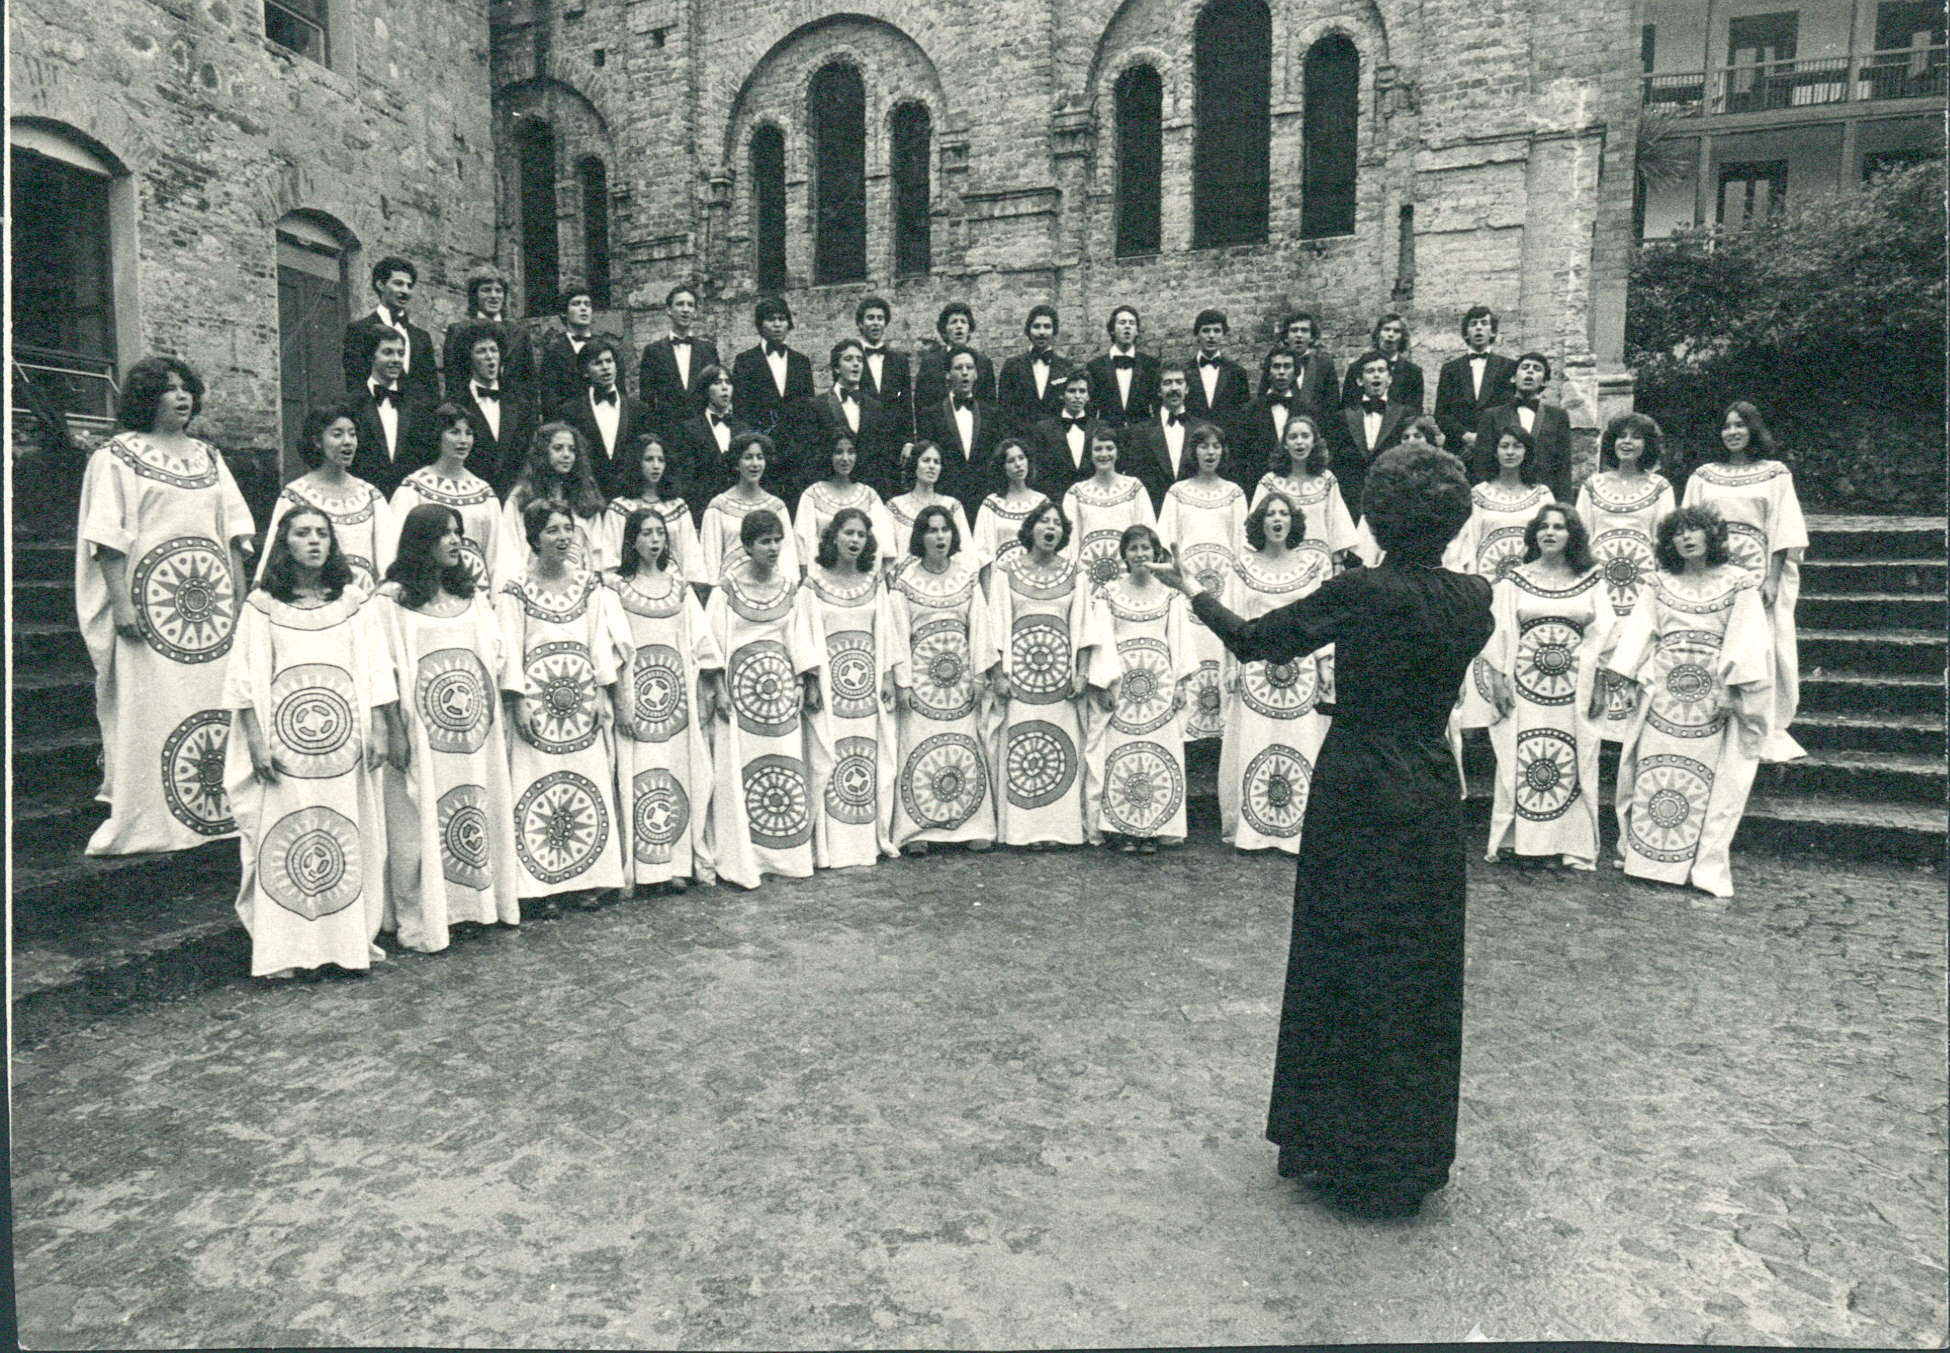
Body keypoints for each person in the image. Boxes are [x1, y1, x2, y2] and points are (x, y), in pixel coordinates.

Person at [1147, 443, 1491, 1219]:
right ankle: (1408, 1150)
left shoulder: (1361, 591)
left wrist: (1194, 591)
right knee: (1418, 960)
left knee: (1343, 949)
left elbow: (1258, 640)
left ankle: (1333, 1142)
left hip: (1360, 780)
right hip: (1431, 782)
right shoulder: (1476, 597)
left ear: (1376, 513)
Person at [77, 356, 257, 855]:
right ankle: (151, 814)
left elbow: (235, 532)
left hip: (210, 615)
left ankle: (217, 808)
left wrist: (240, 596)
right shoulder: (116, 456)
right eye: (169, 389)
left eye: (186, 389)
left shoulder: (208, 456)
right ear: (146, 397)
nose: (182, 397)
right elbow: (107, 540)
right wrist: (121, 605)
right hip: (150, 613)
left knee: (213, 702)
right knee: (152, 706)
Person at [223, 507, 393, 977]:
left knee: (347, 835)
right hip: (286, 752)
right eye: (303, 533)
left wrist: (378, 727)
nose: (314, 541)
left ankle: (345, 947)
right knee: (287, 840)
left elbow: (377, 666)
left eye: (322, 533)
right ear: (285, 543)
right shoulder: (262, 605)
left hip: (345, 749)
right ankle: (290, 952)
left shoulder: (353, 601)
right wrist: (256, 741)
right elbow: (241, 678)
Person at [372, 503, 522, 950]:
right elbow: (381, 668)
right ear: (422, 541)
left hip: (473, 737)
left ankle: (476, 906)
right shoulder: (391, 600)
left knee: (476, 808)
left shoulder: (471, 597)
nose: (455, 540)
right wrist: (394, 729)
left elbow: (498, 654)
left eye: (458, 532)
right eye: (444, 534)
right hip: (420, 734)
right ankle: (423, 917)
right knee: (416, 823)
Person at [1605, 506, 1773, 898]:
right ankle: (1646, 861)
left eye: (1695, 530)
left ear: (1712, 536)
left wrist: (1731, 688)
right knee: (1653, 769)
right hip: (1663, 691)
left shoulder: (1738, 583)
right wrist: (1627, 675)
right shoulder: (1659, 583)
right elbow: (1640, 631)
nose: (1687, 538)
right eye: (1678, 532)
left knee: (1705, 778)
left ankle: (1695, 865)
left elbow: (1747, 636)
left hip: (1711, 694)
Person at [496, 499, 632, 909]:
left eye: (567, 529)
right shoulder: (514, 588)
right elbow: (511, 648)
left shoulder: (590, 585)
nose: (562, 538)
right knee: (537, 787)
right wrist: (517, 701)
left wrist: (606, 693)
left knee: (585, 784)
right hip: (536, 706)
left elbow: (598, 643)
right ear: (534, 537)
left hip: (581, 702)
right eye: (552, 530)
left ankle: (588, 880)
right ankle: (540, 889)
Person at [1482, 504, 1613, 871]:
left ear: (1573, 535)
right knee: (1521, 755)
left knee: (1572, 757)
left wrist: (1601, 680)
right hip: (1526, 688)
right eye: (1543, 527)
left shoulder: (1591, 579)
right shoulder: (1514, 581)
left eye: (1559, 527)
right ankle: (1518, 842)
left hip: (1575, 687)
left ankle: (1567, 844)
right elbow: (1498, 633)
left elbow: (1606, 634)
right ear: (1534, 534)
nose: (1550, 533)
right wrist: (1497, 679)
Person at [703, 508, 825, 889]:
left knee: (784, 767)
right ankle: (746, 859)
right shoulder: (726, 591)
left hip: (781, 697)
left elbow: (798, 640)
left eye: (777, 540)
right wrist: (720, 689)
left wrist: (808, 681)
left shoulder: (790, 588)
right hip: (740, 698)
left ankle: (787, 857)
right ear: (746, 546)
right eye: (764, 541)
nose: (773, 548)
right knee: (743, 771)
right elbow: (712, 645)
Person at [605, 506, 724, 895]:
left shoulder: (679, 588)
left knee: (678, 774)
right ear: (632, 540)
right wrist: (621, 699)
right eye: (646, 533)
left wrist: (712, 686)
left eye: (659, 533)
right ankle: (638, 870)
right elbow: (614, 648)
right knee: (636, 775)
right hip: (637, 696)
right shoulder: (615, 588)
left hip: (676, 702)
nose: (654, 540)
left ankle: (674, 865)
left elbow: (702, 644)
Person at [1680, 401, 1808, 763]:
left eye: (1740, 425)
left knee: (1762, 647)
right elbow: (1687, 525)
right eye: (1726, 426)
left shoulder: (1775, 474)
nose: (1732, 432)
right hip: (1713, 575)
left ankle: (1759, 725)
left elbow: (1784, 528)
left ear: (1753, 430)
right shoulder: (1704, 476)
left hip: (1759, 575)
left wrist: (1771, 578)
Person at [1218, 491, 1337, 855]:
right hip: (1255, 670)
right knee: (1255, 742)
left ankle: (1294, 833)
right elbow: (1230, 619)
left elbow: (1321, 619)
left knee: (1300, 742)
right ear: (1260, 523)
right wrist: (1232, 666)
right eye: (1270, 514)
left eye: (1284, 514)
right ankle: (1253, 832)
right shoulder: (1241, 566)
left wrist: (1325, 663)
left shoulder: (1311, 566)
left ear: (1293, 522)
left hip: (1299, 672)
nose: (1277, 520)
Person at [986, 500, 1107, 849]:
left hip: (1061, 682)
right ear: (1031, 529)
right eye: (1043, 522)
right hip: (1020, 681)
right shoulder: (1005, 570)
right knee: (1022, 747)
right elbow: (996, 624)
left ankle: (1059, 830)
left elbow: (1083, 625)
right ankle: (1022, 833)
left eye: (1056, 523)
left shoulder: (1076, 573)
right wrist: (999, 674)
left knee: (1062, 748)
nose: (1050, 528)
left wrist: (1082, 673)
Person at [887, 504, 999, 855]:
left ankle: (971, 826)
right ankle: (917, 831)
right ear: (920, 537)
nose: (939, 536)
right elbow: (897, 634)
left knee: (963, 747)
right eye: (931, 530)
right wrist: (902, 682)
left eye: (944, 530)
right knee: (916, 748)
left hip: (959, 683)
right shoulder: (905, 581)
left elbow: (980, 628)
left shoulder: (966, 578)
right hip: (921, 684)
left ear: (953, 536)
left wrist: (980, 676)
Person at [1084, 523, 1194, 853]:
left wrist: (1179, 685)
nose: (1140, 554)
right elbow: (1102, 640)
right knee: (1122, 754)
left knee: (1157, 751)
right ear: (1125, 555)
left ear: (1156, 552)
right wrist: (1103, 684)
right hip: (1123, 689)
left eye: (1145, 547)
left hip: (1159, 689)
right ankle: (1124, 830)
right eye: (1133, 548)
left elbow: (1179, 641)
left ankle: (1154, 829)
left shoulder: (1170, 594)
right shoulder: (1108, 593)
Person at [804, 508, 900, 870]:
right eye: (848, 533)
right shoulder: (814, 584)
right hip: (831, 691)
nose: (855, 540)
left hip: (867, 691)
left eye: (861, 534)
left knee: (868, 757)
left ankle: (867, 843)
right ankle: (830, 848)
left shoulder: (874, 582)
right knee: (830, 755)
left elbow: (886, 631)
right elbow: (807, 636)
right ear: (833, 537)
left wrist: (888, 675)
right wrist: (812, 679)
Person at [1578, 413, 1676, 739]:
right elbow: (1581, 534)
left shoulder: (1660, 487)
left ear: (1647, 445)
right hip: (1601, 579)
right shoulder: (1593, 486)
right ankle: (1597, 725)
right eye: (1621, 435)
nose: (1627, 442)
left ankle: (1628, 729)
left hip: (1642, 580)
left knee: (1635, 643)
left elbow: (1665, 537)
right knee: (1602, 640)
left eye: (1636, 437)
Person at [1455, 425, 1555, 730]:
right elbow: (1468, 541)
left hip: (1530, 583)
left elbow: (1551, 536)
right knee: (1486, 637)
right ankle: (1478, 721)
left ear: (1527, 452)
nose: (1510, 452)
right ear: (1494, 451)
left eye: (1517, 446)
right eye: (1504, 446)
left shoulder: (1541, 494)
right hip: (1488, 583)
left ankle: (1521, 716)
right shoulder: (1479, 494)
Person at [1157, 422, 1248, 743]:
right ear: (1193, 451)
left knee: (1223, 644)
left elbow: (1243, 546)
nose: (1210, 452)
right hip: (1187, 591)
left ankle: (1223, 736)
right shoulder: (1178, 493)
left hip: (1225, 591)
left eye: (1216, 446)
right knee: (1190, 648)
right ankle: (1187, 738)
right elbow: (1167, 544)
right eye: (1204, 446)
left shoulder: (1234, 493)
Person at [262, 402, 395, 592]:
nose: (348, 441)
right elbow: (275, 559)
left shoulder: (371, 496)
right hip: (314, 604)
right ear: (317, 442)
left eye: (352, 433)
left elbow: (389, 558)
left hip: (366, 605)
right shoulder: (294, 496)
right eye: (337, 434)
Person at [389, 403, 504, 590]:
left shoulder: (484, 492)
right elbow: (396, 545)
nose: (463, 440)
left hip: (476, 592)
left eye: (468, 433)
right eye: (454, 432)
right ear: (438, 435)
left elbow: (498, 554)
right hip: (426, 590)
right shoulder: (414, 487)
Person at [497, 422, 606, 586]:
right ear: (542, 452)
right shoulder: (521, 498)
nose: (567, 455)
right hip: (534, 584)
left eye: (572, 449)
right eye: (558, 448)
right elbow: (509, 550)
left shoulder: (585, 497)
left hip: (580, 584)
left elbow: (597, 551)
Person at [1249, 413, 1360, 567]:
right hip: (1282, 565)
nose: (1299, 442)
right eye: (1293, 437)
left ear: (1314, 442)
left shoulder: (1327, 480)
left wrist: (1338, 563)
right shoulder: (1269, 483)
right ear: (1285, 444)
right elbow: (1254, 526)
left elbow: (1337, 524)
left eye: (1305, 436)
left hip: (1321, 565)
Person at [1062, 424, 1158, 590]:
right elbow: (1068, 543)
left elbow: (1148, 534)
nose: (1104, 454)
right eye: (1098, 449)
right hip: (1088, 578)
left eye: (1109, 448)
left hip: (1130, 576)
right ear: (1090, 454)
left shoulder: (1134, 488)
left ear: (1117, 452)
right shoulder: (1075, 493)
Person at [914, 344, 1004, 520]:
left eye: (969, 368)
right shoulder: (931, 414)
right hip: (945, 502)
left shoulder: (992, 415)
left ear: (976, 374)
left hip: (983, 502)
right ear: (947, 374)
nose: (964, 372)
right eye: (958, 367)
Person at [699, 431, 800, 585]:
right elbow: (710, 562)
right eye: (748, 457)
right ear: (736, 463)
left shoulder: (777, 507)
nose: (755, 464)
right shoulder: (718, 507)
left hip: (770, 589)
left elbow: (788, 560)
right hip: (731, 591)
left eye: (760, 457)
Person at [555, 336, 651, 496]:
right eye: (598, 363)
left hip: (629, 496)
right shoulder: (570, 412)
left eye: (609, 361)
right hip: (587, 496)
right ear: (585, 372)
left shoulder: (638, 410)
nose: (606, 367)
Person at [1471, 351, 1573, 502]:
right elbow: (1482, 464)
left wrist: (1564, 507)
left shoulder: (1558, 416)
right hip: (1503, 497)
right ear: (1513, 378)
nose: (1530, 371)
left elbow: (1564, 467)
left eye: (1537, 369)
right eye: (1525, 367)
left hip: (1544, 497)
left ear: (1544, 382)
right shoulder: (1492, 415)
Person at [598, 434, 701, 579]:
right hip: (631, 588)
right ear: (636, 462)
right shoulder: (618, 508)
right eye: (649, 459)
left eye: (661, 460)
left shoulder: (678, 506)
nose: (656, 466)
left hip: (673, 587)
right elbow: (609, 559)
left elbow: (692, 558)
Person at [347, 328, 435, 497]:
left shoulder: (420, 408)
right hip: (362, 500)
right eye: (388, 352)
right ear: (371, 356)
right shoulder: (349, 405)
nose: (396, 359)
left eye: (400, 353)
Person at [803, 339, 896, 496]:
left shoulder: (875, 407)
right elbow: (811, 457)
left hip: (867, 491)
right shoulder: (817, 406)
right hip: (830, 489)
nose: (856, 364)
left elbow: (882, 458)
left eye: (859, 360)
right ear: (836, 368)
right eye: (848, 359)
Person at [343, 255, 439, 406]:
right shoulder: (359, 330)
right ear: (380, 284)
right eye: (398, 284)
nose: (405, 291)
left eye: (409, 286)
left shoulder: (421, 337)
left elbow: (432, 390)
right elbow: (355, 383)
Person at [451, 323, 536, 493]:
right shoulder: (455, 404)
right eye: (481, 351)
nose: (490, 357)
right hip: (469, 494)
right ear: (469, 359)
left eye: (494, 350)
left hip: (512, 497)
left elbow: (527, 455)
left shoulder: (520, 405)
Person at [795, 432, 896, 572]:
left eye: (851, 452)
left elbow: (884, 547)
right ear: (828, 455)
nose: (845, 458)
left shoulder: (870, 496)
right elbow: (802, 544)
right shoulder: (812, 495)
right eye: (838, 452)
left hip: (862, 577)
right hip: (822, 575)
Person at [442, 267, 535, 405]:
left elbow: (529, 385)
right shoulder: (458, 331)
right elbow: (454, 382)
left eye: (499, 291)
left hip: (514, 414)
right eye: (486, 290)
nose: (494, 296)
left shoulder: (520, 334)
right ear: (475, 295)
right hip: (473, 411)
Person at [1335, 350, 1412, 517]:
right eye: (1370, 371)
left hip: (1392, 498)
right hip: (1352, 500)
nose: (1376, 375)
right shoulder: (1343, 417)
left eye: (1381, 370)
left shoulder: (1404, 414)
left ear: (1389, 379)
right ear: (1360, 380)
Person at [636, 282, 720, 435]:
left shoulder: (708, 350)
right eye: (680, 304)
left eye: (690, 305)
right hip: (668, 434)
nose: (685, 310)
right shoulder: (653, 351)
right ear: (669, 310)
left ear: (695, 312)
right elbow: (646, 399)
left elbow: (715, 393)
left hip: (703, 433)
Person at [730, 295, 814, 446]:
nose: (777, 324)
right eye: (771, 319)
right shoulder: (745, 361)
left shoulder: (801, 362)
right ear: (760, 325)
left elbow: (808, 407)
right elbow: (741, 408)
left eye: (782, 319)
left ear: (789, 324)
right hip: (760, 445)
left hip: (795, 446)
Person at [1433, 304, 1516, 456]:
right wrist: (1465, 436)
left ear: (1493, 332)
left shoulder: (1508, 367)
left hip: (1495, 449)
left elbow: (1510, 410)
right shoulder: (1450, 369)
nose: (1479, 328)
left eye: (1484, 323)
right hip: (1458, 449)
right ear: (1466, 334)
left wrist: (1485, 438)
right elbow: (1441, 413)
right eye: (1473, 324)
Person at [886, 441, 975, 572]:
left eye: (936, 462)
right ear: (914, 464)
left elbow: (966, 554)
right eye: (926, 460)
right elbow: (888, 557)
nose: (932, 466)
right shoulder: (895, 507)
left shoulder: (952, 506)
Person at [970, 437, 1051, 577]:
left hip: (1036, 583)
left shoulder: (1042, 502)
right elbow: (981, 555)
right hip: (1001, 582)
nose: (1018, 464)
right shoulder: (991, 505)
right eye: (1011, 461)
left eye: (1021, 458)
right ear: (1002, 466)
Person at [1122, 359, 1196, 510]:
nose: (1174, 387)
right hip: (1154, 512)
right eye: (1167, 383)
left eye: (1179, 382)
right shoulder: (1139, 432)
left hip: (1193, 511)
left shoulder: (1202, 429)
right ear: (1158, 390)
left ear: (1187, 388)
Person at [673, 363, 749, 507]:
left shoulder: (743, 429)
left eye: (728, 382)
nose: (725, 387)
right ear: (706, 389)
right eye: (717, 383)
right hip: (703, 507)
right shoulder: (689, 430)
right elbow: (686, 478)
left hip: (740, 506)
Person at [997, 303, 1074, 435]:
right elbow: (1004, 410)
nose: (1042, 332)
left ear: (1054, 331)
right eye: (1036, 326)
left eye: (1047, 327)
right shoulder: (1012, 366)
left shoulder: (1066, 367)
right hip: (1022, 441)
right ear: (1028, 330)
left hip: (1055, 441)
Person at [1238, 348, 1308, 491]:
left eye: (1287, 366)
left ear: (1295, 373)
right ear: (1268, 372)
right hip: (1259, 486)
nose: (1281, 372)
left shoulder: (1309, 411)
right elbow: (1241, 457)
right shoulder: (1248, 411)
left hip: (1299, 486)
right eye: (1276, 366)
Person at [913, 301, 998, 413]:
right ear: (944, 330)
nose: (959, 326)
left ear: (969, 329)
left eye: (963, 322)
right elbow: (922, 405)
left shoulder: (983, 363)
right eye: (953, 322)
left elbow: (990, 405)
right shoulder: (930, 363)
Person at [1085, 304, 1161, 428]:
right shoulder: (1095, 367)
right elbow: (1090, 408)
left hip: (1142, 437)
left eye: (1132, 323)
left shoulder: (1151, 365)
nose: (1127, 326)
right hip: (1108, 437)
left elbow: (1157, 405)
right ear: (1112, 330)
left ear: (1137, 331)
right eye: (1122, 322)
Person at [1340, 312, 1424, 413]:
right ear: (1378, 334)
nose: (1390, 334)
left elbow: (1415, 412)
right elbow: (1347, 408)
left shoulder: (1412, 372)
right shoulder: (1357, 367)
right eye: (1386, 329)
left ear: (1402, 338)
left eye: (1396, 331)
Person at [1184, 307, 1253, 429]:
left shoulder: (1237, 372)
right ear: (1197, 334)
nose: (1211, 336)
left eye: (1216, 331)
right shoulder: (1184, 371)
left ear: (1223, 334)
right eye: (1206, 331)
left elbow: (1243, 415)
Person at [535, 281, 599, 413]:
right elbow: (549, 401)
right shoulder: (553, 352)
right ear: (564, 313)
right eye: (576, 304)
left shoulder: (605, 348)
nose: (583, 308)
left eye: (587, 304)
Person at [1030, 370, 1098, 493]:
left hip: (1092, 497)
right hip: (1058, 498)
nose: (1077, 396)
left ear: (1088, 396)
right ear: (1062, 395)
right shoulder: (1044, 429)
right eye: (1072, 391)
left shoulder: (1099, 428)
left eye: (1082, 391)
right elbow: (1040, 471)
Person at [854, 295, 913, 435]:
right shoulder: (852, 359)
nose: (876, 323)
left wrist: (908, 441)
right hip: (862, 440)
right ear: (860, 323)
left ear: (885, 323)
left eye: (880, 318)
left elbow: (905, 404)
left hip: (893, 442)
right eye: (870, 318)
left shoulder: (899, 361)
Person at [1259, 311, 1338, 413]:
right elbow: (1262, 399)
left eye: (1304, 331)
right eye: (1294, 330)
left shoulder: (1324, 365)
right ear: (1286, 337)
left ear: (1312, 337)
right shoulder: (1275, 363)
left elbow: (1333, 405)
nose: (1299, 335)